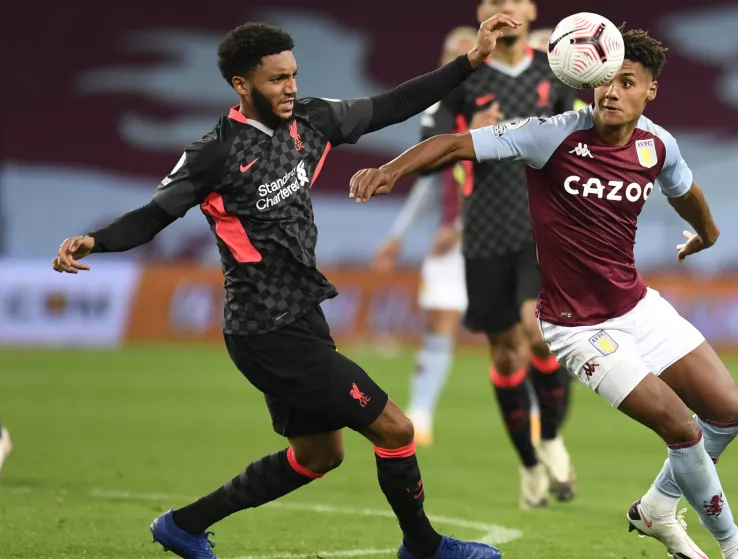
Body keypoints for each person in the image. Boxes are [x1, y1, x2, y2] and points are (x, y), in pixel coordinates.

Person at [51, 17, 519, 559]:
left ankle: (183, 525)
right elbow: (154, 216)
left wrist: (471, 60)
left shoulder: (312, 120)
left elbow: (393, 105)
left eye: (293, 75)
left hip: (300, 316)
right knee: (395, 429)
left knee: (318, 456)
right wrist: (96, 240)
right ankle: (424, 547)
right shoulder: (214, 153)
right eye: (277, 79)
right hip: (266, 328)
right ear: (241, 85)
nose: (291, 87)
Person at [349, 27, 738, 559]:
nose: (611, 92)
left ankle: (657, 508)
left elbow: (685, 190)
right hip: (576, 327)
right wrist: (389, 170)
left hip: (636, 306)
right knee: (682, 428)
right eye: (604, 81)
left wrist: (708, 233)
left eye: (627, 82)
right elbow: (453, 143)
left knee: (728, 412)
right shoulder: (552, 135)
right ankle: (733, 546)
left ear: (650, 90)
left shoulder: (657, 145)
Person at [420, 0, 580, 509]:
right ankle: (529, 464)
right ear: (483, 11)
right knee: (506, 352)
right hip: (485, 237)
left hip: (541, 232)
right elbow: (426, 150)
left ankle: (550, 436)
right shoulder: (463, 77)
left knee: (537, 333)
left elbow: (584, 144)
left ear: (530, 9)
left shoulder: (557, 73)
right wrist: (467, 128)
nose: (505, 6)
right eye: (494, 0)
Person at [372, 26, 478, 447]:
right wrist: (397, 236)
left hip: (504, 240)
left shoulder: (507, 109)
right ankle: (421, 412)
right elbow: (430, 184)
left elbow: (519, 184)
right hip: (450, 244)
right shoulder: (441, 114)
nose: (456, 63)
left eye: (465, 55)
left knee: (523, 333)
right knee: (439, 323)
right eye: (451, 55)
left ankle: (539, 422)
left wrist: (463, 227)